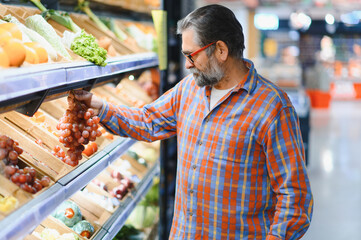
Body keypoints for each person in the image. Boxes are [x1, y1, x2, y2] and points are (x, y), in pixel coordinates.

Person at [71, 4, 313, 239]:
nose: (187, 64)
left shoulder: (272, 107)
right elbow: (148, 121)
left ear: (220, 50)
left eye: (191, 55)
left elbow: (294, 195)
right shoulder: (189, 90)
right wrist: (99, 106)